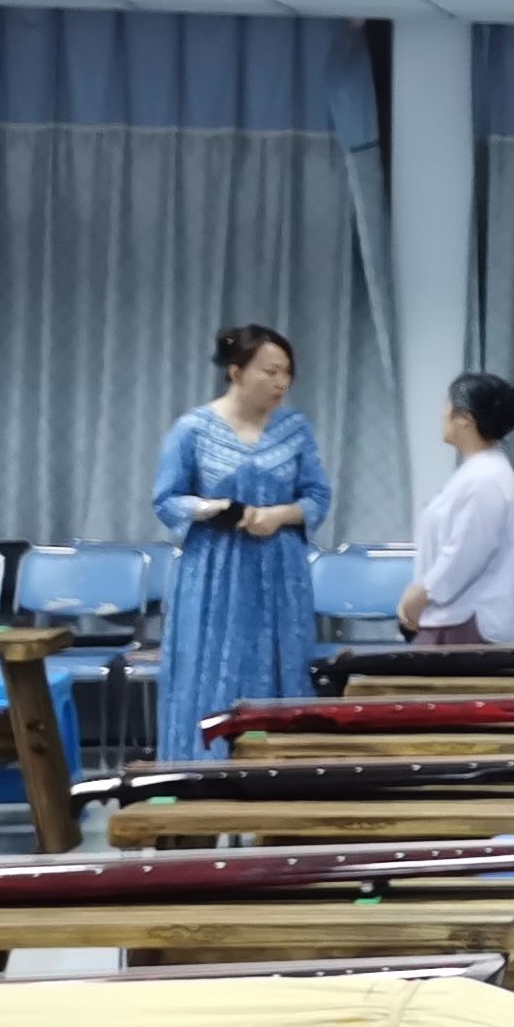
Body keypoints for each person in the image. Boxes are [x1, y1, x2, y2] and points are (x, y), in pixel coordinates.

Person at [149, 323, 332, 756]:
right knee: (209, 665)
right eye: (270, 372)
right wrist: (210, 508)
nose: (281, 382)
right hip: (213, 567)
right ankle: (201, 766)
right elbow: (166, 499)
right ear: (236, 372)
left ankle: (282, 768)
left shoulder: (295, 428)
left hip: (280, 568)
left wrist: (278, 515)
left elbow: (317, 497)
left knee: (282, 662)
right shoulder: (192, 429)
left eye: (287, 372)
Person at [401, 372, 514, 647]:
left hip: (467, 624)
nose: (442, 413)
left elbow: (466, 553)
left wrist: (423, 593)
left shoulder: (487, 478)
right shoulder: (478, 471)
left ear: (465, 418)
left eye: (446, 405)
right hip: (451, 618)